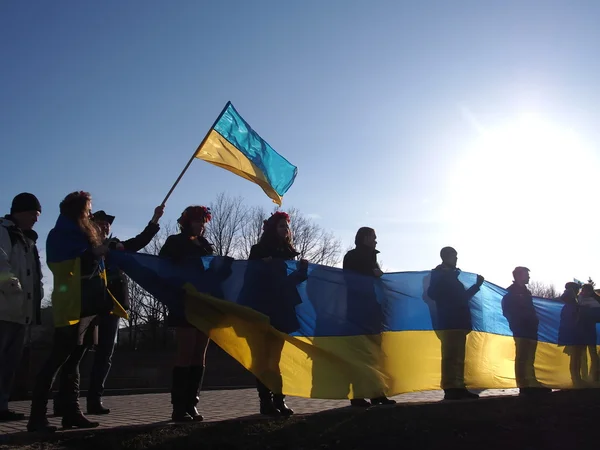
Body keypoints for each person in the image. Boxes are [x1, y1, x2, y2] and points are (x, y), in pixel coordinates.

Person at [52, 206, 164, 416]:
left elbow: (140, 241)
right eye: (100, 222)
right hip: (87, 305)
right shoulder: (84, 246)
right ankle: (64, 400)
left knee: (105, 355)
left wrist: (155, 219)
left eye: (107, 224)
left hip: (112, 307)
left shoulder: (116, 246)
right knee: (75, 355)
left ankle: (95, 400)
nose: (104, 226)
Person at [27, 191, 119, 432]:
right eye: (88, 209)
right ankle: (37, 417)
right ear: (78, 211)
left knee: (74, 360)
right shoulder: (61, 235)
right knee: (59, 358)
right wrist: (93, 254)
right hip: (72, 306)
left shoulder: (84, 234)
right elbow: (62, 266)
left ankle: (71, 413)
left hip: (90, 306)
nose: (90, 213)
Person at [246, 211, 308, 416]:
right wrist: (263, 266)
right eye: (281, 226)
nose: (285, 229)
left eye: (286, 226)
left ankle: (279, 400)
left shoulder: (289, 253)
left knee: (276, 357)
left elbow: (288, 282)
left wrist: (302, 271)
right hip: (264, 306)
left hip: (282, 307)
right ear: (273, 228)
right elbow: (250, 277)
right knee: (263, 356)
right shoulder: (259, 250)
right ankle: (266, 401)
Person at [159, 205, 213, 423]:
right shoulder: (175, 242)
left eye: (203, 221)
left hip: (205, 304)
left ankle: (192, 403)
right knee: (186, 351)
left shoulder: (206, 245)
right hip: (184, 302)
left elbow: (212, 271)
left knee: (200, 353)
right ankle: (178, 406)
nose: (201, 225)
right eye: (197, 220)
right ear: (187, 221)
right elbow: (163, 265)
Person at [0, 193, 43, 422]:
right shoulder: (4, 231)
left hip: (21, 313)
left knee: (10, 365)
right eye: (35, 214)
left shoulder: (28, 240)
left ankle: (2, 405)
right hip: (4, 309)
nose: (37, 220)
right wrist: (14, 290)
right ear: (21, 211)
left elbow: (35, 274)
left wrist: (37, 296)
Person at [342, 227, 396, 407]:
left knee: (374, 355)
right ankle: (357, 396)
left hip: (372, 311)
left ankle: (377, 394)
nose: (376, 241)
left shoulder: (372, 258)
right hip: (358, 311)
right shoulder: (352, 256)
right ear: (365, 238)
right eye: (374, 237)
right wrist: (371, 273)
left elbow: (378, 282)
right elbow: (351, 280)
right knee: (359, 355)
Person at [427, 246, 483, 400]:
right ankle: (450, 388)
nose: (456, 258)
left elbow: (462, 298)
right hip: (449, 321)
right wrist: (445, 277)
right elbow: (431, 293)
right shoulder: (438, 273)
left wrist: (477, 286)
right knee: (450, 356)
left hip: (459, 321)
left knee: (458, 356)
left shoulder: (454, 276)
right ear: (445, 256)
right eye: (454, 255)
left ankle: (459, 386)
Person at [501, 266, 552, 397]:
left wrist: (534, 321)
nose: (529, 277)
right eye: (526, 275)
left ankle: (532, 383)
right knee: (522, 357)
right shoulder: (510, 292)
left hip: (531, 329)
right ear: (518, 276)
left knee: (530, 358)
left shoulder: (526, 292)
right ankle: (524, 385)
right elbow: (507, 311)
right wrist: (516, 323)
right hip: (520, 329)